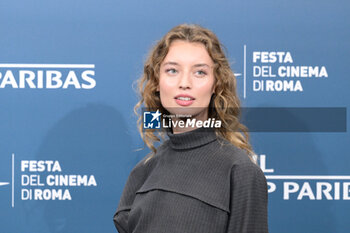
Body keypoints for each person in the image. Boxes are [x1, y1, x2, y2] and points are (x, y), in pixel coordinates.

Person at [113, 23, 268, 233]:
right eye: (172, 70)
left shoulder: (239, 171)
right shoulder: (143, 172)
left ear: (216, 85)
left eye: (200, 72)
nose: (184, 82)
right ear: (157, 82)